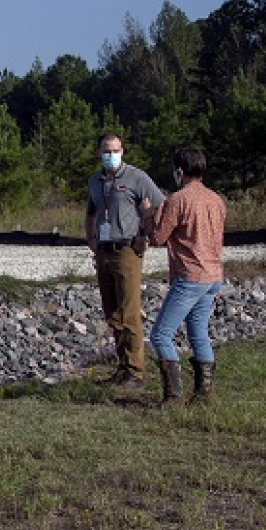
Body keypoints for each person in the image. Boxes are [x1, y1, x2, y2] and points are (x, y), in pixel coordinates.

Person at [86, 134, 166, 388]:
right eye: (106, 151)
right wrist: (91, 239)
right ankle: (122, 366)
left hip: (127, 250)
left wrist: (147, 233)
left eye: (115, 150)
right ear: (99, 152)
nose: (111, 155)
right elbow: (91, 211)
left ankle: (136, 371)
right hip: (104, 250)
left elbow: (161, 205)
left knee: (130, 311)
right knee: (112, 312)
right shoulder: (95, 181)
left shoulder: (137, 178)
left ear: (122, 151)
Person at [148, 148, 227, 405]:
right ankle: (204, 394)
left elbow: (158, 238)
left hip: (190, 275)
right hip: (213, 274)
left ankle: (173, 395)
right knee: (199, 333)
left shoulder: (177, 200)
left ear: (179, 171)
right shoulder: (216, 199)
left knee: (161, 334)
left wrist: (149, 215)